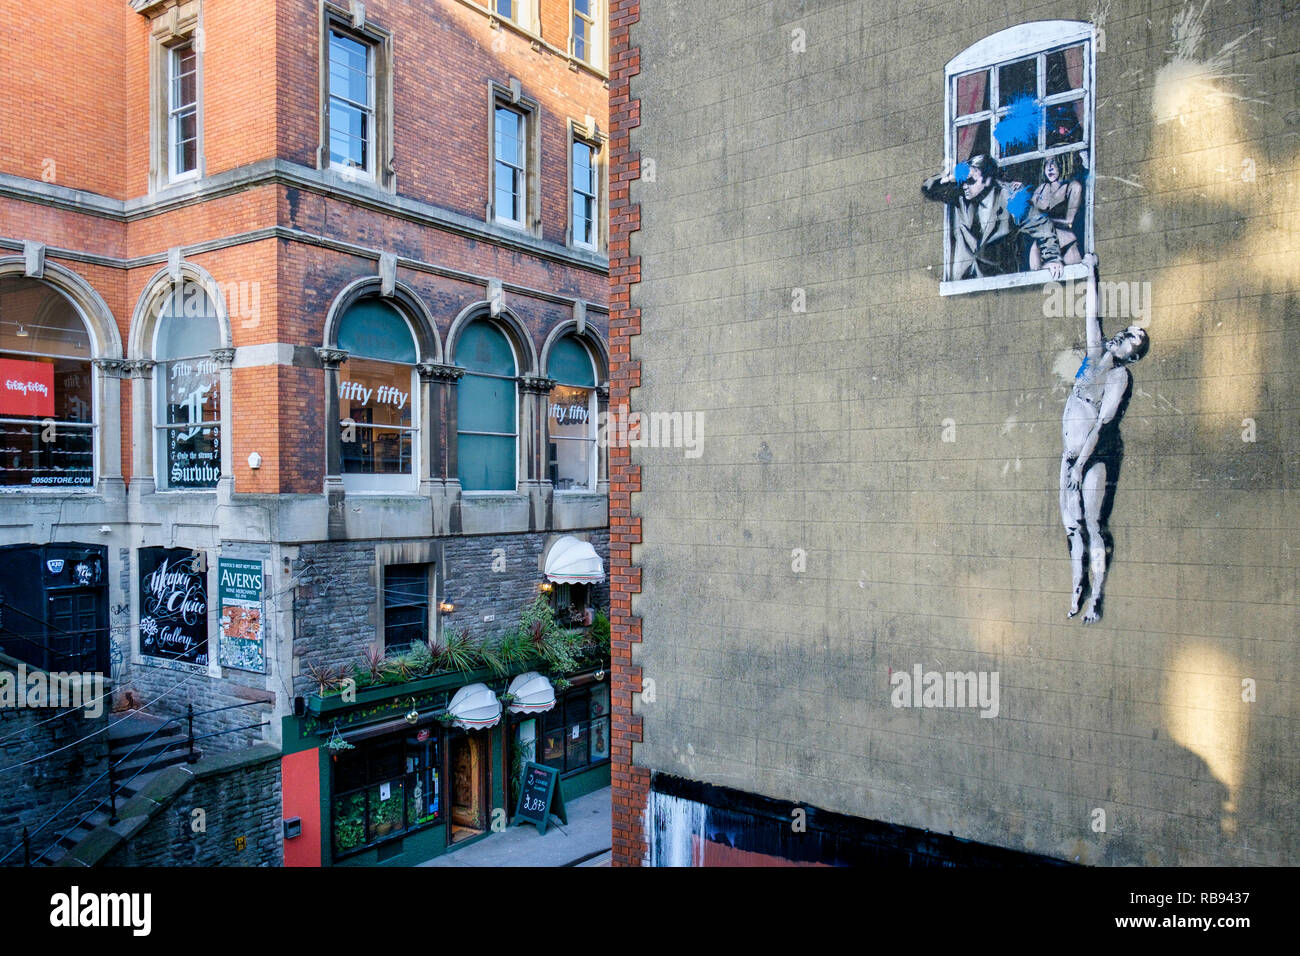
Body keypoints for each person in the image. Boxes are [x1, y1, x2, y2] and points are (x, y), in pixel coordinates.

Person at [1061, 255, 1150, 623]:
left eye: (1131, 338)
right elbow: (1091, 316)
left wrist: (1081, 466)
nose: (1123, 336)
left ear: (1133, 354)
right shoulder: (1095, 355)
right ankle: (1077, 585)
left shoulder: (1120, 379)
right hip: (1069, 456)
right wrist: (1091, 271)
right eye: (1126, 331)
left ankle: (1096, 595)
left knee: (1094, 525)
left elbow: (1101, 426)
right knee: (1071, 524)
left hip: (1095, 459)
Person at [922, 154, 1064, 280]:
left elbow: (1042, 226)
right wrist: (951, 176)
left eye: (971, 181)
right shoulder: (960, 195)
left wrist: (1052, 258)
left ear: (988, 180)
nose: (965, 185)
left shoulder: (1010, 197)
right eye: (963, 181)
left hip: (997, 281)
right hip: (963, 280)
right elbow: (928, 188)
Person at [1028, 153, 1084, 270]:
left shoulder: (1073, 186)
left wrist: (1043, 221)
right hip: (1042, 246)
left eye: (1054, 162)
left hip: (1065, 242)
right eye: (1047, 163)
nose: (1050, 167)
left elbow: (1069, 220)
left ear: (1063, 163)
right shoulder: (1041, 189)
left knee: (1074, 284)